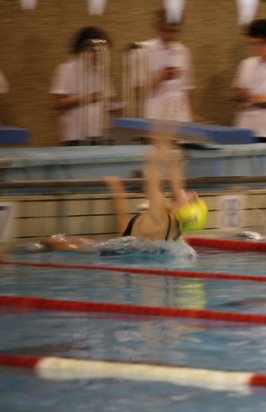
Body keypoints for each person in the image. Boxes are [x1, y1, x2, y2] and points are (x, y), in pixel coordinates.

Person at [39, 138, 208, 252]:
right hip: (126, 249)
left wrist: (157, 150)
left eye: (192, 200)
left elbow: (151, 178)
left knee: (57, 242)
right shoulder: (176, 230)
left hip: (112, 253)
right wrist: (118, 194)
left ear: (184, 211)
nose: (193, 194)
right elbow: (177, 191)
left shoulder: (159, 216)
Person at [50, 26, 116, 145]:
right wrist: (87, 98)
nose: (99, 56)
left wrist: (113, 107)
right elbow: (58, 103)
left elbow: (106, 102)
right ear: (85, 49)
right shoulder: (66, 69)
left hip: (100, 134)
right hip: (75, 136)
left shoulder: (102, 71)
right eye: (96, 51)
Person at [143, 9, 196, 122]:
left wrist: (192, 115)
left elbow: (187, 88)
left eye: (172, 31)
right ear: (157, 27)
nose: (168, 35)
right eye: (164, 30)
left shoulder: (183, 51)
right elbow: (138, 90)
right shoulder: (145, 50)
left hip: (181, 114)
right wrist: (161, 78)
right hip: (156, 113)